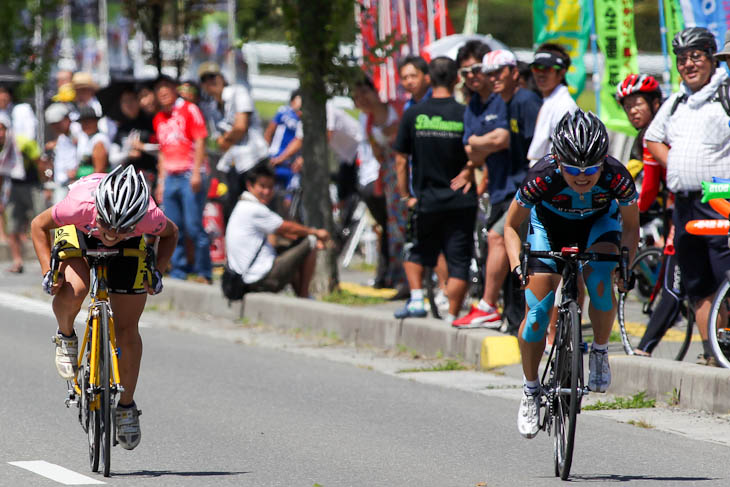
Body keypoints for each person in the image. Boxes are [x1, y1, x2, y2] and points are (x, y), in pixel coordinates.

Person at [504, 110, 639, 438]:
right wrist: (516, 266)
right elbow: (510, 226)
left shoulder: (617, 176)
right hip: (548, 228)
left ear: (603, 161)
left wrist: (625, 267)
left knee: (601, 285)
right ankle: (531, 389)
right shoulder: (542, 175)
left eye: (592, 169)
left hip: (598, 226)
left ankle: (600, 352)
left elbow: (631, 228)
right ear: (558, 161)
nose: (583, 177)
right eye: (573, 170)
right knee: (536, 315)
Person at [30, 164, 179, 450]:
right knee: (76, 289)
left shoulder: (148, 216)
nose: (111, 234)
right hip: (79, 231)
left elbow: (172, 234)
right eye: (108, 225)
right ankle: (65, 336)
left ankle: (126, 406)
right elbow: (38, 225)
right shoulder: (79, 205)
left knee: (127, 326)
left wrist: (158, 270)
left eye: (122, 229)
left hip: (131, 246)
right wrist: (47, 271)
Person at [645, 27, 730, 366]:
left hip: (717, 196)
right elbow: (653, 138)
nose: (688, 65)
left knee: (726, 278)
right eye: (682, 59)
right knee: (698, 285)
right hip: (683, 202)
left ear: (711, 58)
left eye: (696, 57)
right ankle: (713, 353)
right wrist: (678, 163)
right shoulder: (677, 99)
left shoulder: (725, 92)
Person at [393, 56, 478, 322]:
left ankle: (417, 299)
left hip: (425, 201)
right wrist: (468, 171)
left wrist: (406, 195)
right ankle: (453, 315)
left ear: (429, 78)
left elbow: (400, 159)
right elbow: (477, 152)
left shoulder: (414, 114)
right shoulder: (466, 114)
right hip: (461, 201)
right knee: (458, 262)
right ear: (456, 79)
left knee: (415, 249)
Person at [615, 74, 678, 356]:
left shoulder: (662, 131)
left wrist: (631, 213)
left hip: (682, 207)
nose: (633, 111)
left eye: (638, 103)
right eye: (627, 106)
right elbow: (630, 175)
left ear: (655, 103)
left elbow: (649, 185)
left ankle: (644, 349)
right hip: (668, 208)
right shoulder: (641, 138)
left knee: (676, 282)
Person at [452, 43, 512, 329]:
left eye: (477, 69)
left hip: (517, 185)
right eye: (465, 72)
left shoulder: (503, 98)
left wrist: (478, 143)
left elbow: (503, 139)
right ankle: (505, 313)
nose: (472, 76)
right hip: (497, 187)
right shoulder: (473, 105)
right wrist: (480, 146)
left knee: (496, 239)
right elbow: (471, 153)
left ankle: (489, 306)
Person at [225, 164, 330, 297]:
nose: (267, 192)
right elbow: (287, 227)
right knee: (310, 241)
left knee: (294, 248)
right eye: (262, 186)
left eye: (270, 187)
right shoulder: (254, 209)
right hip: (259, 278)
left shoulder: (242, 205)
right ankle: (304, 296)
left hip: (245, 277)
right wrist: (316, 233)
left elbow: (283, 231)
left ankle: (302, 294)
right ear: (249, 185)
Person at [152, 75, 212, 284]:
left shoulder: (189, 109)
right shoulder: (159, 117)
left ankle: (205, 271)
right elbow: (162, 150)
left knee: (194, 225)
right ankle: (178, 270)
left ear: (174, 89)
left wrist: (197, 172)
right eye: (159, 90)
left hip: (189, 174)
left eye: (166, 88)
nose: (163, 93)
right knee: (172, 226)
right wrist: (161, 182)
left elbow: (200, 139)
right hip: (170, 176)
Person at [352, 76, 408, 296]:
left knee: (403, 225)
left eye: (364, 93)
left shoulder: (397, 109)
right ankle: (397, 275)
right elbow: (376, 152)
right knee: (392, 228)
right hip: (388, 177)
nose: (361, 100)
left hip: (406, 171)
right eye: (357, 97)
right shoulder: (366, 120)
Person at [198, 62, 269, 221]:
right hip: (236, 164)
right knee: (235, 209)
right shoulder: (211, 108)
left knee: (259, 209)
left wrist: (227, 137)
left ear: (222, 78)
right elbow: (220, 143)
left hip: (255, 159)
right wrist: (229, 137)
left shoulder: (238, 91)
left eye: (213, 77)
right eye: (205, 79)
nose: (210, 82)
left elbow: (241, 127)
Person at [0, 113, 43, 273]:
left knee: (42, 221)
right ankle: (17, 261)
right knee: (12, 225)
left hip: (32, 184)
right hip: (13, 187)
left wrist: (44, 188)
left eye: (2, 129)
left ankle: (52, 260)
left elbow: (39, 162)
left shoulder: (22, 142)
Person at [526, 43, 578, 165]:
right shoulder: (548, 100)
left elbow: (567, 153)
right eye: (536, 67)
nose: (540, 74)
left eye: (547, 69)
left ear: (561, 73)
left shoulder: (565, 106)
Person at [109, 86, 158, 192]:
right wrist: (127, 154)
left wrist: (143, 147)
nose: (129, 104)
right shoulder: (121, 129)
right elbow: (112, 158)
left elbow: (163, 150)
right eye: (124, 101)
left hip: (151, 178)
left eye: (132, 99)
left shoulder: (151, 123)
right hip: (127, 180)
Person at [265, 89, 302, 191]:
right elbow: (269, 132)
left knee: (289, 197)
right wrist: (266, 153)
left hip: (291, 165)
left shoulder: (305, 120)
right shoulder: (284, 112)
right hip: (274, 159)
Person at [44, 103, 78, 204]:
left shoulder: (77, 132)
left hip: (75, 183)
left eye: (58, 123)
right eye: (53, 124)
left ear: (67, 119)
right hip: (61, 184)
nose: (55, 127)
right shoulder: (62, 138)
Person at [73, 105, 110, 180]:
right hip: (83, 180)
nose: (85, 125)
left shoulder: (99, 140)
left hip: (94, 183)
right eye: (83, 122)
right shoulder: (84, 138)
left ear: (96, 122)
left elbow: (99, 170)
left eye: (88, 122)